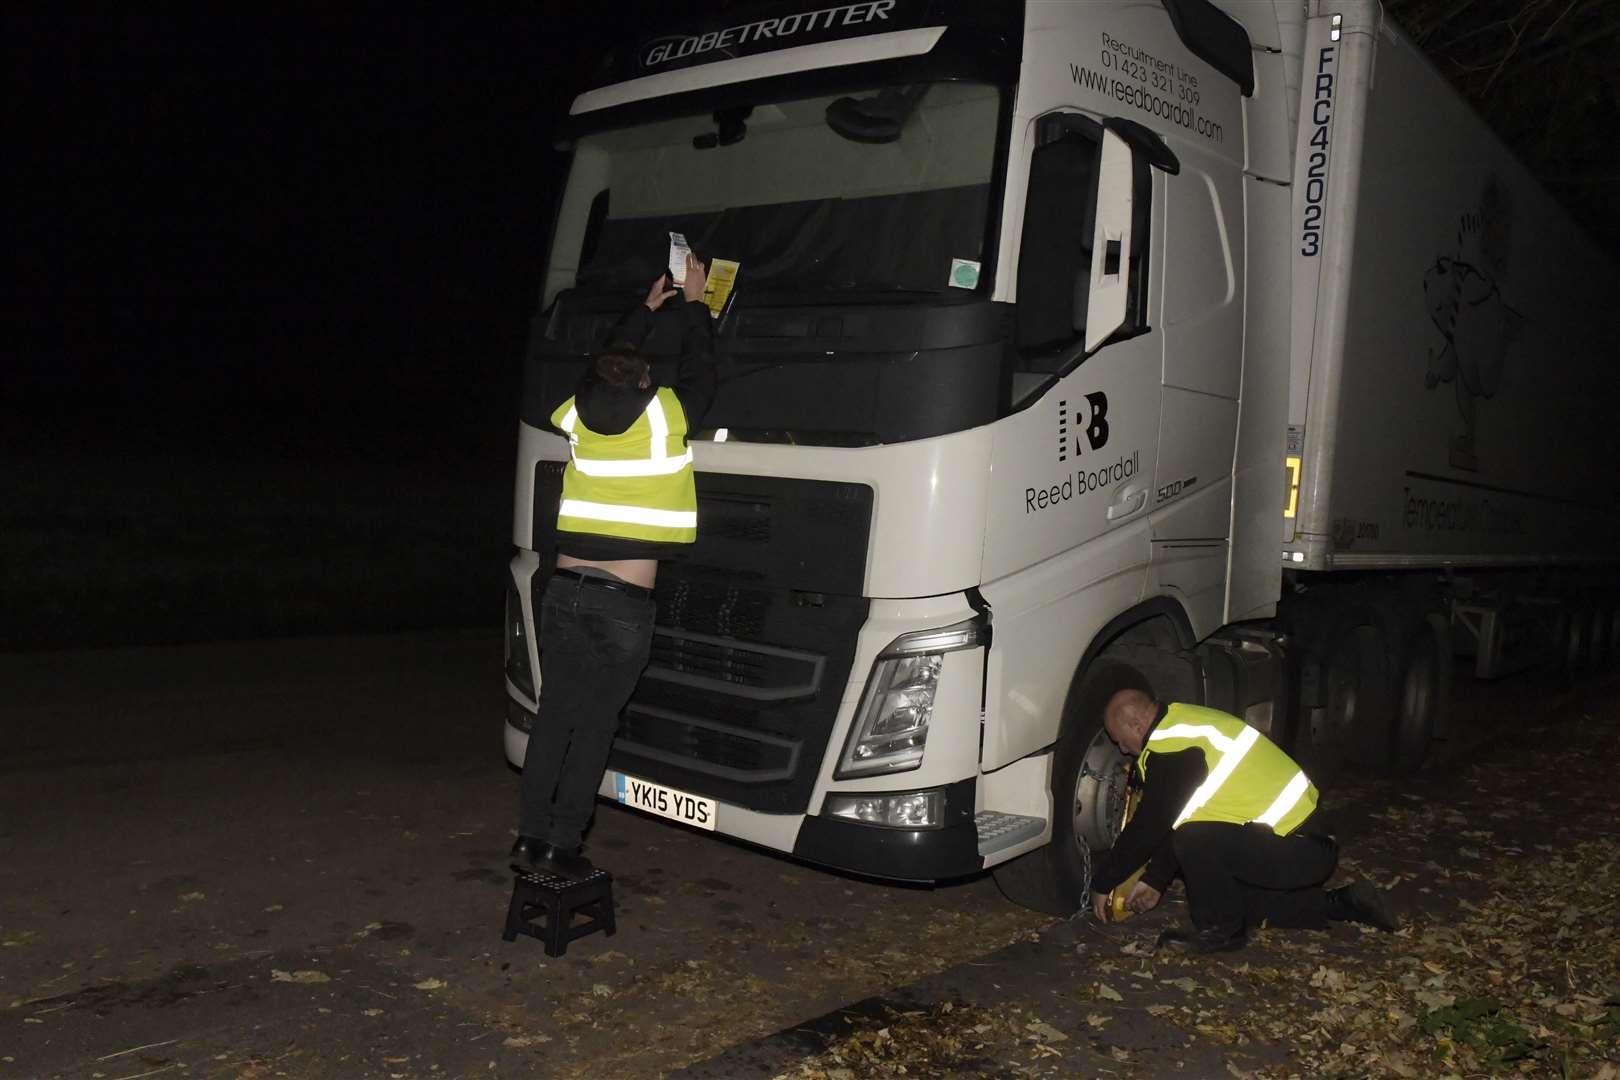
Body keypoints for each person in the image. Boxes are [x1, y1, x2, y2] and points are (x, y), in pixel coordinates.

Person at [511, 252, 717, 880]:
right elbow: (705, 369)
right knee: (595, 726)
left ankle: (530, 841)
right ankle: (563, 846)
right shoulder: (667, 414)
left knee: (556, 717)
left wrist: (644, 310)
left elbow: (601, 364)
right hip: (621, 603)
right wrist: (699, 304)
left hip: (563, 591)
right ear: (646, 383)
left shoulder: (575, 415)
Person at [1088, 689, 1398, 952]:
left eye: (1120, 739)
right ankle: (1345, 903)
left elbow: (1152, 825)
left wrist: (1104, 881)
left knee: (1197, 848)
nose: (1123, 749)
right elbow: (1188, 816)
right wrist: (1155, 879)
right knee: (1229, 895)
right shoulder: (1184, 724)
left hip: (1301, 848)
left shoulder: (1173, 746)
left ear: (1136, 722)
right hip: (1306, 846)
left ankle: (1220, 931)